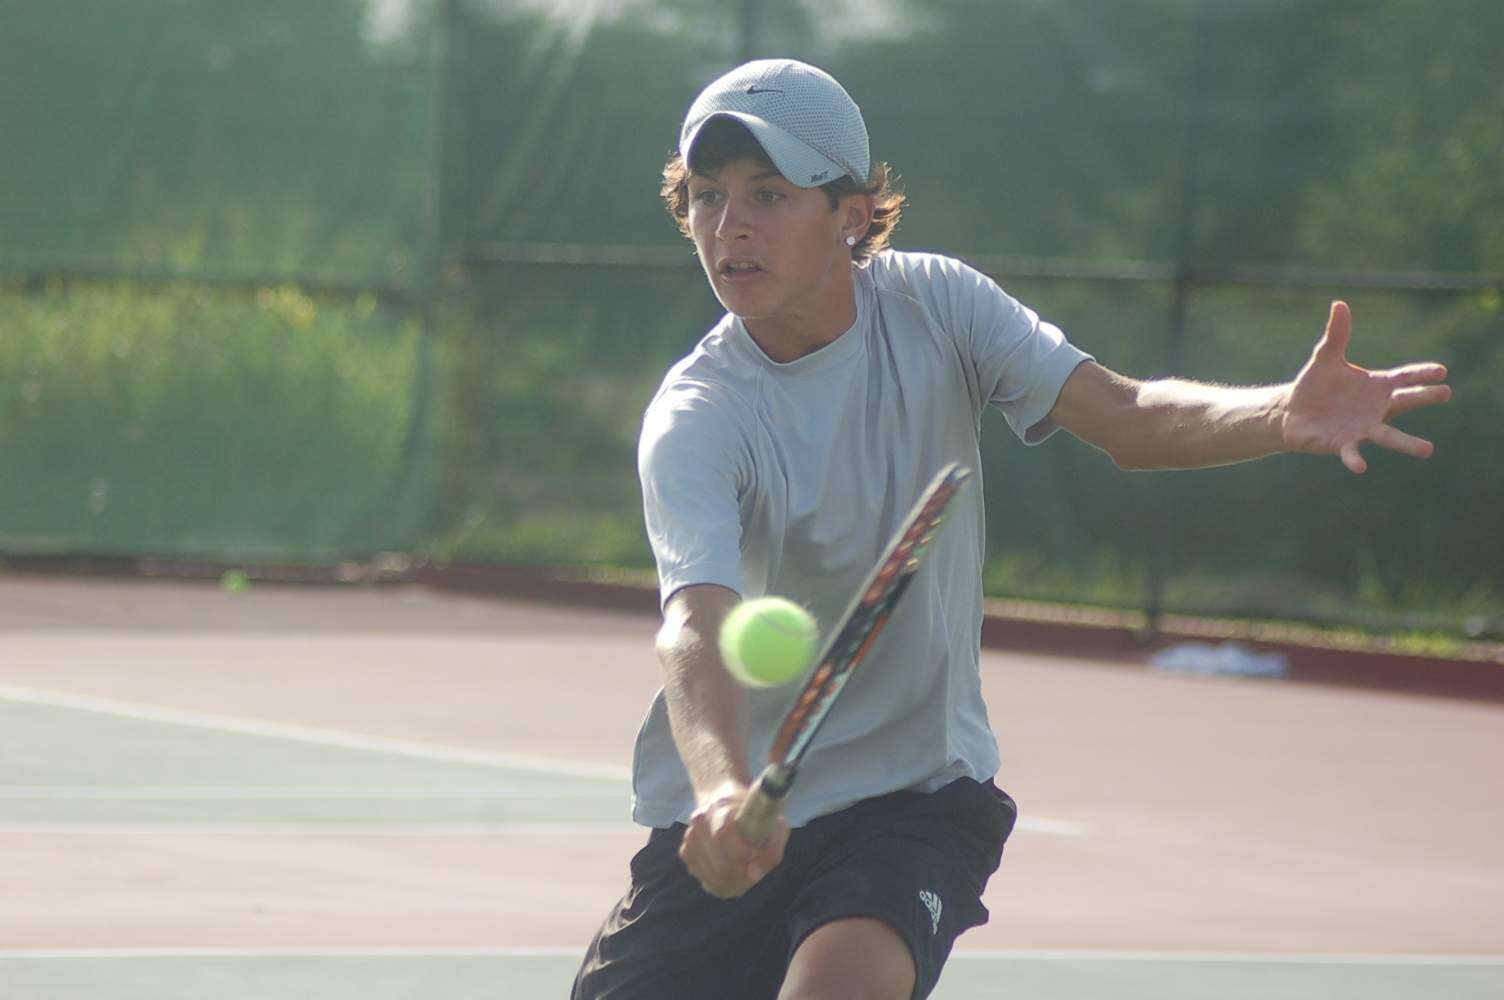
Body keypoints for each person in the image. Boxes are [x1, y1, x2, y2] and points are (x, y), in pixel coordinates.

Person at [571, 59, 1451, 1000]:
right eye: (707, 196)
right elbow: (694, 623)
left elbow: (1127, 416)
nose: (729, 225)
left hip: (910, 803)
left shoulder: (938, 307)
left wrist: (1279, 413)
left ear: (853, 214)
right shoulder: (697, 415)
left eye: (769, 194)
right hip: (722, 823)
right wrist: (718, 791)